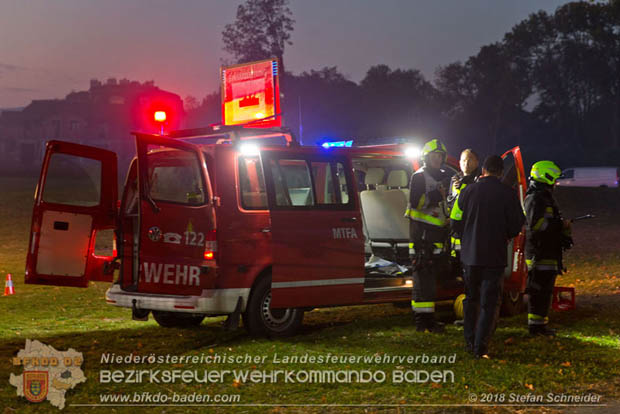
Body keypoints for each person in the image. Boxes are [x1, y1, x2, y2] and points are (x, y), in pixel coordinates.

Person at [450, 155, 524, 358]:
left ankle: (469, 341)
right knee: (489, 303)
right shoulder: (507, 194)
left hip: (470, 257)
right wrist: (505, 235)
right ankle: (480, 347)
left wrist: (465, 237)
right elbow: (518, 223)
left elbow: (454, 220)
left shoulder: (466, 192)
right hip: (494, 257)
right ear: (500, 173)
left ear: (483, 170)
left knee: (471, 299)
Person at [405, 138, 451, 333]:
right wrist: (436, 196)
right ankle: (425, 322)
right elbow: (415, 203)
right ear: (426, 157)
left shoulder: (441, 177)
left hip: (434, 237)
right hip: (422, 237)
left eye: (440, 156)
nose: (438, 159)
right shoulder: (419, 176)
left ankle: (424, 321)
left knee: (426, 281)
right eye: (434, 155)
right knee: (424, 282)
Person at [524, 160, 572, 336]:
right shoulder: (536, 198)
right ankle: (535, 327)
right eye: (555, 179)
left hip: (546, 251)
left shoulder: (543, 197)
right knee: (539, 291)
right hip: (539, 252)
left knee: (544, 291)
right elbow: (537, 226)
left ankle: (540, 325)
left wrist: (562, 229)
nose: (556, 183)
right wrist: (560, 226)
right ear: (547, 176)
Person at [448, 149, 480, 259]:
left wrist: (463, 186)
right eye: (463, 160)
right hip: (456, 227)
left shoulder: (480, 180)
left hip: (471, 227)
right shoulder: (454, 179)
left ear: (477, 162)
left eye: (470, 160)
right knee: (456, 258)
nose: (466, 163)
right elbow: (450, 200)